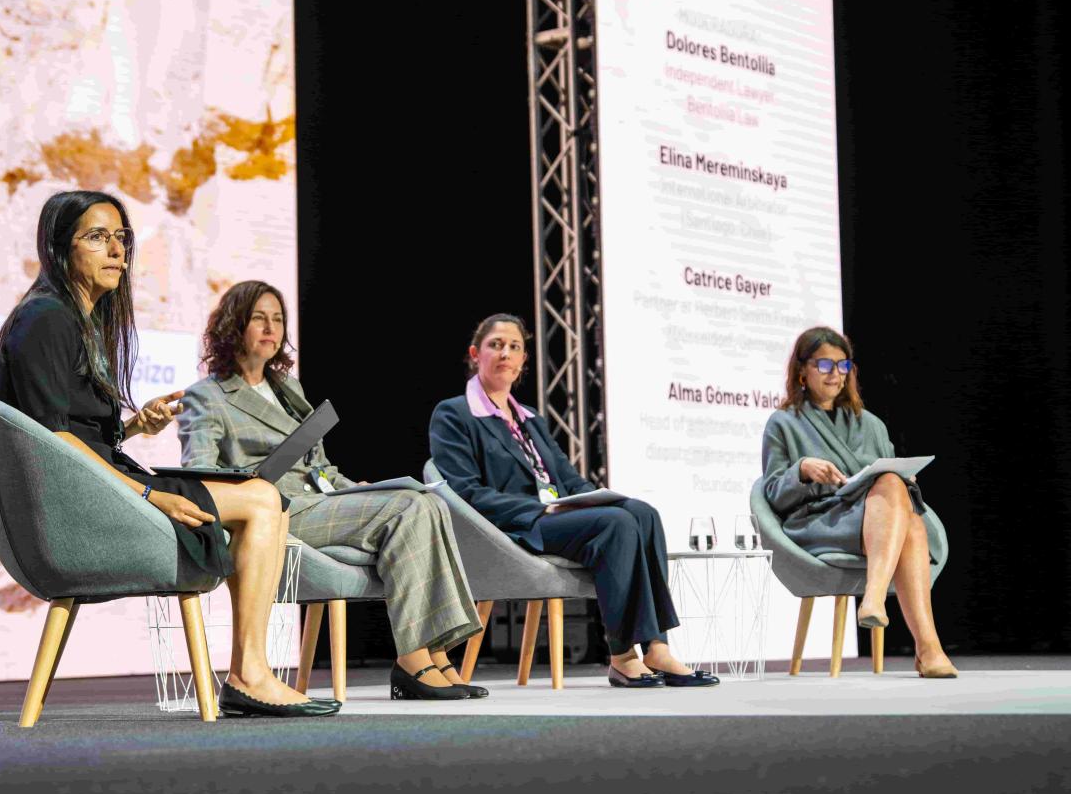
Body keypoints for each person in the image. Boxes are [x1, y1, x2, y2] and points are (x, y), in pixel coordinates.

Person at [0, 191, 338, 718]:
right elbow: (53, 441)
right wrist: (151, 495)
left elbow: (75, 440)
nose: (117, 251)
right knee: (263, 500)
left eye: (121, 238)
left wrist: (131, 427)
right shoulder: (47, 318)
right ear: (61, 248)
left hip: (90, 491)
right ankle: (250, 675)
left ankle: (251, 672)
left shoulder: (76, 320)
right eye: (97, 237)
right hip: (71, 514)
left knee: (264, 499)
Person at [177, 281, 486, 700]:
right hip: (278, 511)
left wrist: (353, 488)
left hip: (320, 500)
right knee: (407, 509)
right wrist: (255, 480)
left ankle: (436, 650)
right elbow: (200, 475)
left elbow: (319, 467)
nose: (271, 328)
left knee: (426, 500)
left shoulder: (289, 389)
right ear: (234, 325)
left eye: (278, 320)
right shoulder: (208, 396)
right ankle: (413, 660)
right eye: (259, 318)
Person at [429, 313, 718, 689]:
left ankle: (657, 647)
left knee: (641, 513)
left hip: (554, 517)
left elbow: (566, 478)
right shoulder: (454, 414)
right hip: (513, 526)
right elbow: (465, 493)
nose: (505, 353)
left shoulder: (531, 419)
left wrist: (597, 499)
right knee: (616, 524)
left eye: (514, 346)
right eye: (495, 345)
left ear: (523, 360)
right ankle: (623, 657)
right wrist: (541, 509)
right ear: (475, 354)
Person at [761, 326, 957, 678]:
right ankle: (923, 645)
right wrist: (801, 471)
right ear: (802, 370)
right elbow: (772, 492)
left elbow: (890, 480)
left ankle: (910, 630)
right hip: (819, 520)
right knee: (908, 519)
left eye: (843, 365)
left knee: (901, 499)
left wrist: (905, 481)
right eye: (824, 365)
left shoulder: (871, 425)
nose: (835, 374)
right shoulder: (783, 423)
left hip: (875, 518)